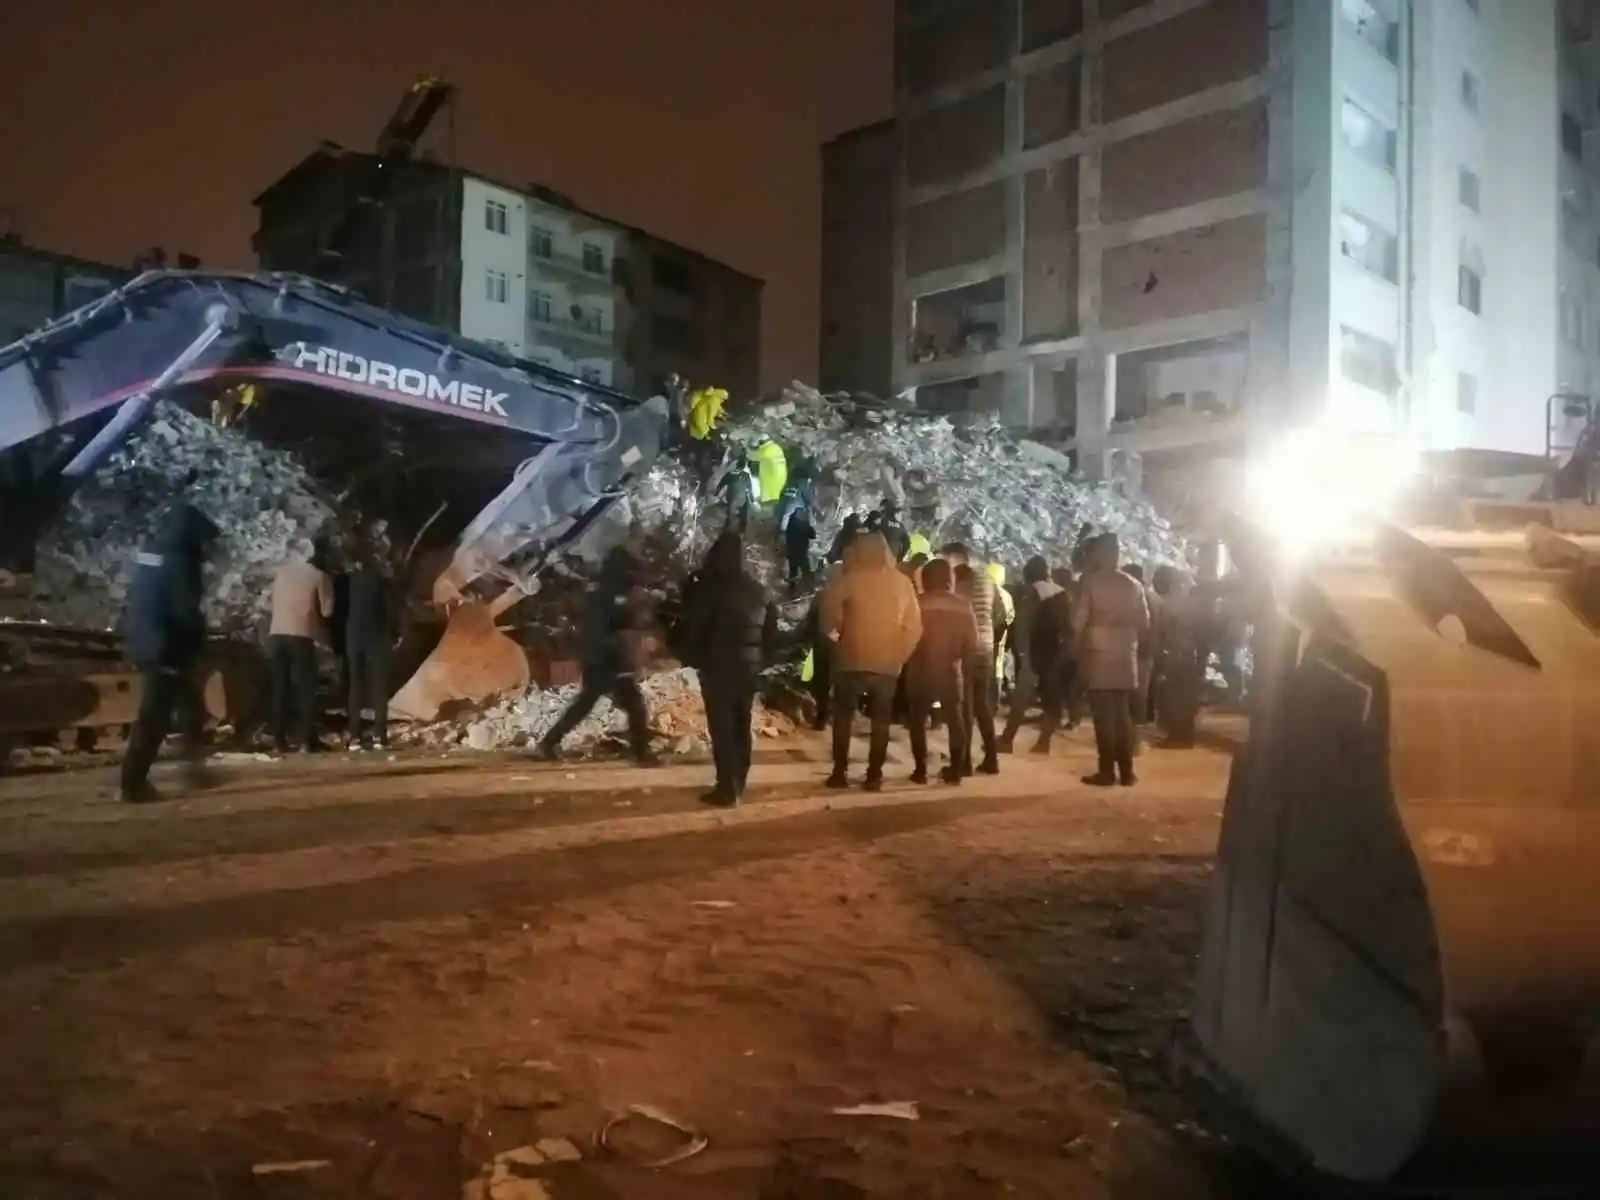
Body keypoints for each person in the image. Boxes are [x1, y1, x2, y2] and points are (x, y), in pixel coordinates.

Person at [119, 502, 219, 803]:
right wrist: (198, 635)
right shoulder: (180, 561)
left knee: (191, 709)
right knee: (155, 716)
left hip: (146, 640)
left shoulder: (153, 553)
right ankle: (132, 783)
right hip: (167, 647)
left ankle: (193, 769)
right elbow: (184, 609)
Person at [676, 532, 777, 805]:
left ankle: (726, 788)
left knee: (722, 728)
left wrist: (691, 655)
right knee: (741, 724)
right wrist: (760, 659)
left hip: (718, 666)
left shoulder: (711, 589)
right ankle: (739, 782)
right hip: (749, 668)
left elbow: (693, 628)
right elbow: (771, 632)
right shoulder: (758, 590)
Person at [819, 531, 922, 791]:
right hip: (887, 664)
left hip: (850, 661)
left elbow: (828, 617)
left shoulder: (848, 580)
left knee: (843, 718)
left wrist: (838, 643)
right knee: (881, 720)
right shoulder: (902, 583)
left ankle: (839, 772)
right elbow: (914, 628)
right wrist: (900, 656)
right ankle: (874, 775)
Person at [539, 546, 660, 765]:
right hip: (607, 659)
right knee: (632, 705)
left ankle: (549, 742)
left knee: (587, 704)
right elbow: (613, 623)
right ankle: (641, 753)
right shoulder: (609, 595)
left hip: (601, 658)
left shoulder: (602, 592)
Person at [1073, 533, 1151, 787]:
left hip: (1098, 654)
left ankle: (1106, 771)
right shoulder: (1133, 585)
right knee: (1122, 715)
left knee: (1104, 717)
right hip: (1126, 654)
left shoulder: (1091, 584)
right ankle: (1127, 772)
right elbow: (1144, 623)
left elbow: (1077, 622)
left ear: (1099, 554)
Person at [904, 558, 977, 785]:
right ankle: (955, 770)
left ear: (925, 580)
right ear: (949, 579)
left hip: (920, 669)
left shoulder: (917, 604)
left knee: (917, 721)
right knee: (955, 720)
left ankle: (920, 770)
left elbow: (906, 636)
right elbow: (972, 643)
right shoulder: (964, 605)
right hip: (950, 670)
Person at [269, 538, 335, 754]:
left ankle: (278, 740)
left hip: (277, 634)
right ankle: (305, 740)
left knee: (280, 688)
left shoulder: (281, 572)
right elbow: (327, 611)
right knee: (305, 689)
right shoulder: (319, 576)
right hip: (302, 635)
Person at [943, 544, 1002, 776]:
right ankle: (991, 758)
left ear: (954, 558)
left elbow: (953, 615)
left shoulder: (957, 580)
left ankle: (964, 763)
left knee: (964, 707)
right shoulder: (988, 580)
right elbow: (998, 613)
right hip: (986, 648)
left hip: (966, 648)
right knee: (982, 705)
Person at [998, 555, 1062, 752]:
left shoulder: (1031, 592)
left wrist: (1024, 656)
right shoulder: (1061, 592)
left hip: (1035, 653)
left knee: (1021, 698)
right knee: (1052, 699)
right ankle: (1044, 742)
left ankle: (1007, 740)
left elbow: (1024, 626)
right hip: (1057, 654)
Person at [342, 538, 396, 750]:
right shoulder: (380, 582)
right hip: (378, 637)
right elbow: (390, 611)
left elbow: (339, 612)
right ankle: (379, 735)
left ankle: (355, 736)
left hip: (353, 638)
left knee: (355, 686)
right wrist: (395, 633)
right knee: (379, 687)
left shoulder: (346, 582)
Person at [1152, 565, 1201, 746]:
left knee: (1174, 697)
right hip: (1189, 652)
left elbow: (1160, 631)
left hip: (1174, 653)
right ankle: (1185, 734)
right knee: (1185, 697)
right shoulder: (1187, 601)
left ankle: (1177, 735)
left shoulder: (1165, 604)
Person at [714, 450, 756, 534]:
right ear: (744, 467)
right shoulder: (745, 475)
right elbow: (749, 488)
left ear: (736, 465)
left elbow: (721, 484)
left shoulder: (730, 474)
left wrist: (717, 492)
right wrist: (752, 498)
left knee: (729, 514)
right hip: (742, 498)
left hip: (731, 497)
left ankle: (726, 528)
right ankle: (742, 528)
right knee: (743, 513)